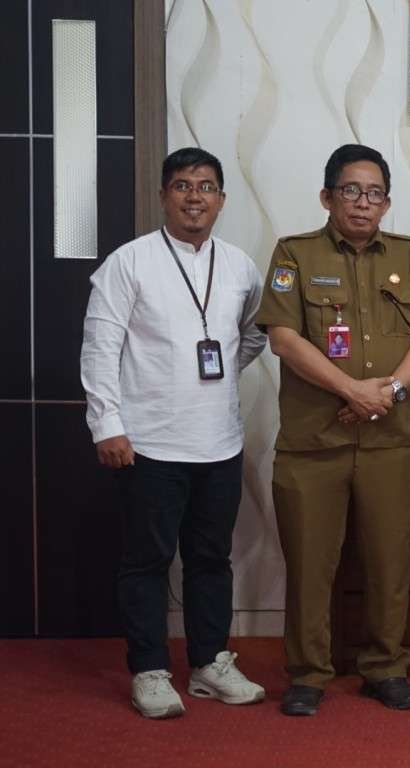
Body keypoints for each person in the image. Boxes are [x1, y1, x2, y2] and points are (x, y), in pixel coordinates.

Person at [80, 147, 268, 718]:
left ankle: (211, 663)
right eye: (183, 186)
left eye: (206, 187)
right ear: (163, 195)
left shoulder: (238, 265)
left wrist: (206, 375)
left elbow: (254, 334)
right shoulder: (128, 262)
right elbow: (100, 347)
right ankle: (150, 670)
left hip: (220, 442)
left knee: (212, 559)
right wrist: (106, 424)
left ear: (221, 200)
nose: (195, 197)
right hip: (148, 443)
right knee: (147, 561)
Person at [256, 144, 410, 716]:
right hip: (316, 441)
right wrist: (351, 391)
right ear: (328, 196)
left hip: (390, 440)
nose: (364, 203)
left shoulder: (409, 257)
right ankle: (309, 673)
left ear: (387, 201)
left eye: (375, 193)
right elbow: (284, 339)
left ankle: (385, 667)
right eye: (351, 191)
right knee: (312, 564)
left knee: (389, 561)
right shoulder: (296, 253)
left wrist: (388, 393)